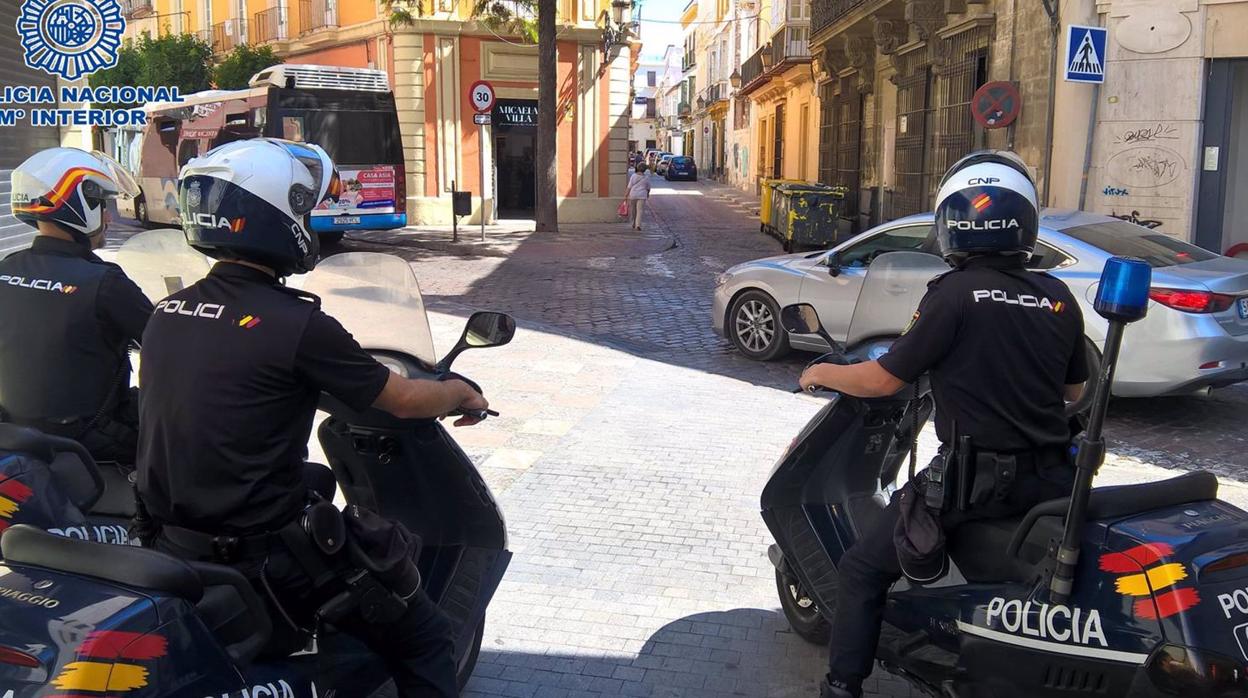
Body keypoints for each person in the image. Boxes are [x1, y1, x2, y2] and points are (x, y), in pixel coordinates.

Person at [136, 138, 487, 697]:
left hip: (174, 541)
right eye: (301, 207)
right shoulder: (297, 324)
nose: (309, 218)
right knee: (425, 635)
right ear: (275, 215)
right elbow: (401, 399)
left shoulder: (167, 311)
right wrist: (459, 390)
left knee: (318, 480)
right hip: (263, 558)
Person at [800, 151, 1088, 698]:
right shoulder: (1058, 297)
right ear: (1024, 222)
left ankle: (842, 686)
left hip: (972, 487)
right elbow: (1073, 393)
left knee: (863, 568)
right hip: (1052, 482)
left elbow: (886, 378)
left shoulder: (952, 295)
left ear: (951, 224)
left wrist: (823, 373)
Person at [0, 148, 153, 463]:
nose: (108, 217)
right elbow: (164, 340)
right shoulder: (104, 282)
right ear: (77, 204)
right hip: (85, 437)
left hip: (13, 429)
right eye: (101, 204)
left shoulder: (7, 267)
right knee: (174, 439)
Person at [625, 163, 652, 231]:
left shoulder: (633, 176)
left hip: (633, 194)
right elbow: (648, 187)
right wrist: (648, 193)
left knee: (633, 210)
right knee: (640, 210)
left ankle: (634, 222)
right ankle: (638, 225)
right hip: (642, 195)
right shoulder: (646, 177)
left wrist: (626, 194)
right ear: (645, 170)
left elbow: (629, 186)